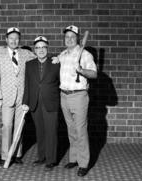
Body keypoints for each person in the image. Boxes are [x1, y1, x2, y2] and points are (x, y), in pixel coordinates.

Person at [0, 27, 36, 165]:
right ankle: (5, 155)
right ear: (6, 39)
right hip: (6, 97)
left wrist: (56, 59)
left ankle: (16, 154)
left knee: (19, 126)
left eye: (16, 38)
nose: (14, 40)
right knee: (7, 125)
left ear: (19, 40)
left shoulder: (26, 54)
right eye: (11, 38)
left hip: (22, 96)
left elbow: (40, 58)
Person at [57, 25, 97, 177]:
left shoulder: (85, 55)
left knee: (80, 130)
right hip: (64, 95)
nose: (69, 39)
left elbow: (93, 74)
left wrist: (82, 70)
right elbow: (55, 64)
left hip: (79, 96)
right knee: (71, 129)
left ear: (78, 38)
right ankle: (74, 158)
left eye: (72, 37)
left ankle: (84, 163)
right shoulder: (63, 54)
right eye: (67, 37)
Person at [22, 36, 60, 171]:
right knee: (40, 131)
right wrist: (25, 102)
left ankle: (51, 160)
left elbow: (62, 82)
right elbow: (27, 85)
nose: (41, 50)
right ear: (34, 50)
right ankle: (41, 156)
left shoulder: (56, 63)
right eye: (38, 47)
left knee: (51, 131)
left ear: (47, 48)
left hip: (51, 102)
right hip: (35, 103)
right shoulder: (29, 64)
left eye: (44, 47)